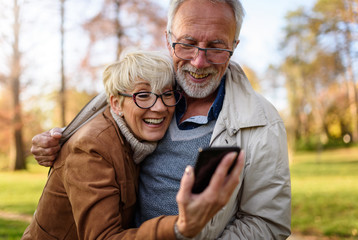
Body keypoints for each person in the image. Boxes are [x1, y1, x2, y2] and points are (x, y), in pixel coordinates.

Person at [31, 0, 291, 239]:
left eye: (216, 47)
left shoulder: (261, 122)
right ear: (168, 40)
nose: (199, 62)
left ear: (233, 46)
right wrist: (60, 138)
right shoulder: (149, 81)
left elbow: (266, 222)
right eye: (187, 44)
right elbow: (110, 110)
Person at [23, 50, 244, 240]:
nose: (158, 107)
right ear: (116, 104)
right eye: (143, 95)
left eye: (166, 93)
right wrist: (180, 226)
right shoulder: (90, 149)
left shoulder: (138, 137)